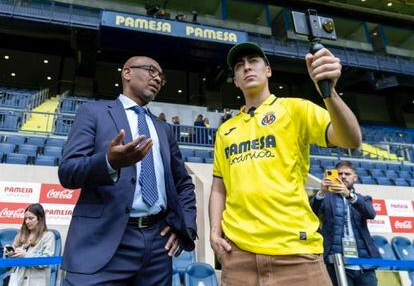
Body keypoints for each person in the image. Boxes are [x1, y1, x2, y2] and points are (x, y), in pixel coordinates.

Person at [209, 42, 361, 286]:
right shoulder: (226, 130)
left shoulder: (295, 109)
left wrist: (328, 92)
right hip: (239, 258)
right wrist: (214, 230)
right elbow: (219, 187)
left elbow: (350, 139)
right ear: (235, 80)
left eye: (253, 61)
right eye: (239, 66)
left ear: (268, 71)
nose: (246, 67)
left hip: (296, 254)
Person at [59, 55, 197, 285]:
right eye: (151, 70)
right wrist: (109, 162)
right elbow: (68, 172)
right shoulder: (93, 112)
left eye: (161, 77)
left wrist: (186, 227)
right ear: (127, 73)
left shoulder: (164, 129)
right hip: (101, 243)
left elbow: (183, 184)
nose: (157, 78)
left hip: (157, 247)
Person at [311, 161, 380, 286]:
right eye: (340, 173)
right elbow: (310, 214)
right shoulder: (326, 197)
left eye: (347, 174)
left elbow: (371, 214)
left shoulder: (363, 198)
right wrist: (321, 193)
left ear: (355, 177)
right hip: (337, 263)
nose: (343, 176)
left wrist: (349, 195)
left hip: (364, 264)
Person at [4, 203, 55, 286]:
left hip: (36, 282)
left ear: (40, 218)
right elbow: (9, 264)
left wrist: (26, 255)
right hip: (17, 280)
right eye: (26, 218)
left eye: (31, 218)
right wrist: (9, 254)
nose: (27, 221)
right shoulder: (20, 234)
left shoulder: (48, 236)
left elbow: (46, 261)